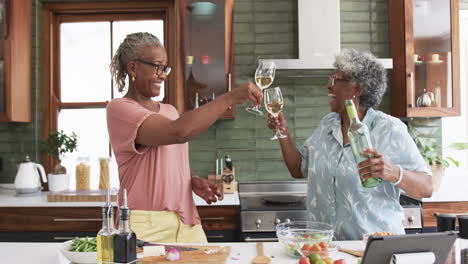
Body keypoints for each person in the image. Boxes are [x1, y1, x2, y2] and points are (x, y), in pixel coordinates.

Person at [107, 32, 262, 243]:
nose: (163, 74)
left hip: (187, 220)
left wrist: (192, 180)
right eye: (157, 66)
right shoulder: (120, 109)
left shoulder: (170, 111)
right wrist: (231, 97)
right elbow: (178, 132)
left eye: (165, 68)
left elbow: (170, 160)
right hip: (145, 224)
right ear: (133, 67)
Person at [267, 49, 432, 240]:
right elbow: (298, 168)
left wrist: (392, 172)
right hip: (326, 251)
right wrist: (283, 132)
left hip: (373, 250)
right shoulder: (327, 124)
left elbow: (426, 187)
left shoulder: (389, 129)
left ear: (358, 88)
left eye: (336, 79)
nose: (328, 86)